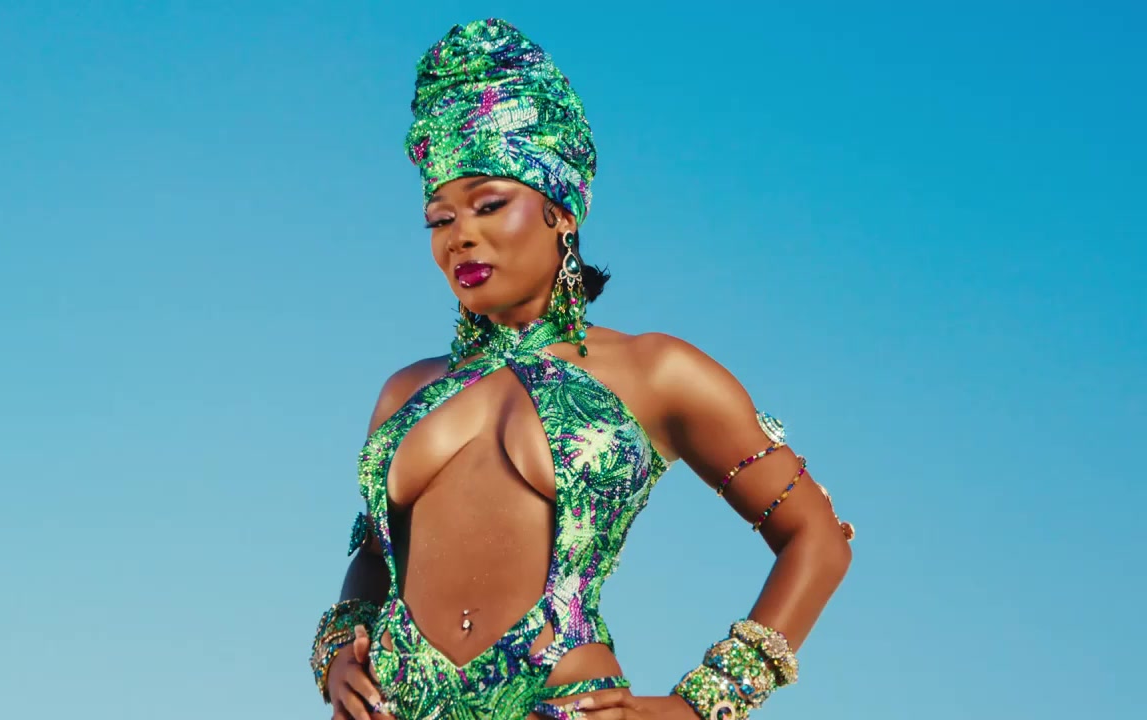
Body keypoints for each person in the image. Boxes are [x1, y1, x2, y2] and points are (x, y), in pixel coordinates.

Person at [309, 18, 854, 720]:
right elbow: (376, 558)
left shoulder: (655, 372)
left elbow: (817, 537)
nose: (461, 236)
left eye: (489, 204)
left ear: (560, 212)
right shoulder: (407, 391)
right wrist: (338, 653)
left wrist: (695, 708)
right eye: (439, 220)